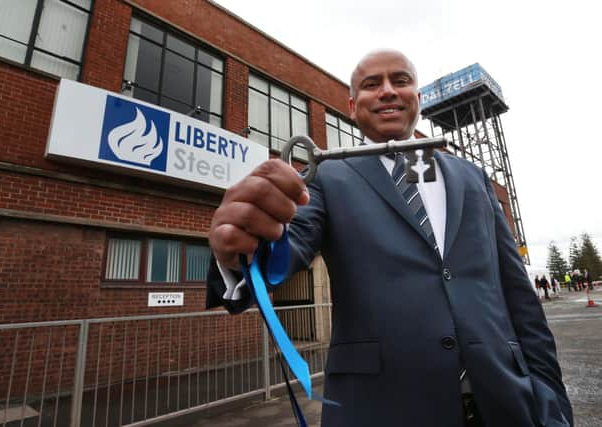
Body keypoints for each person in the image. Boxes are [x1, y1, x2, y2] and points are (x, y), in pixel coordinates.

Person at [206, 49, 572, 426]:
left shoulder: (473, 178)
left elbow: (520, 298)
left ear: (418, 96)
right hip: (380, 409)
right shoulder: (324, 178)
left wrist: (552, 404)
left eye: (400, 81)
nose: (387, 91)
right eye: (371, 84)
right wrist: (237, 247)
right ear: (352, 105)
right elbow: (278, 252)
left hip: (507, 404)